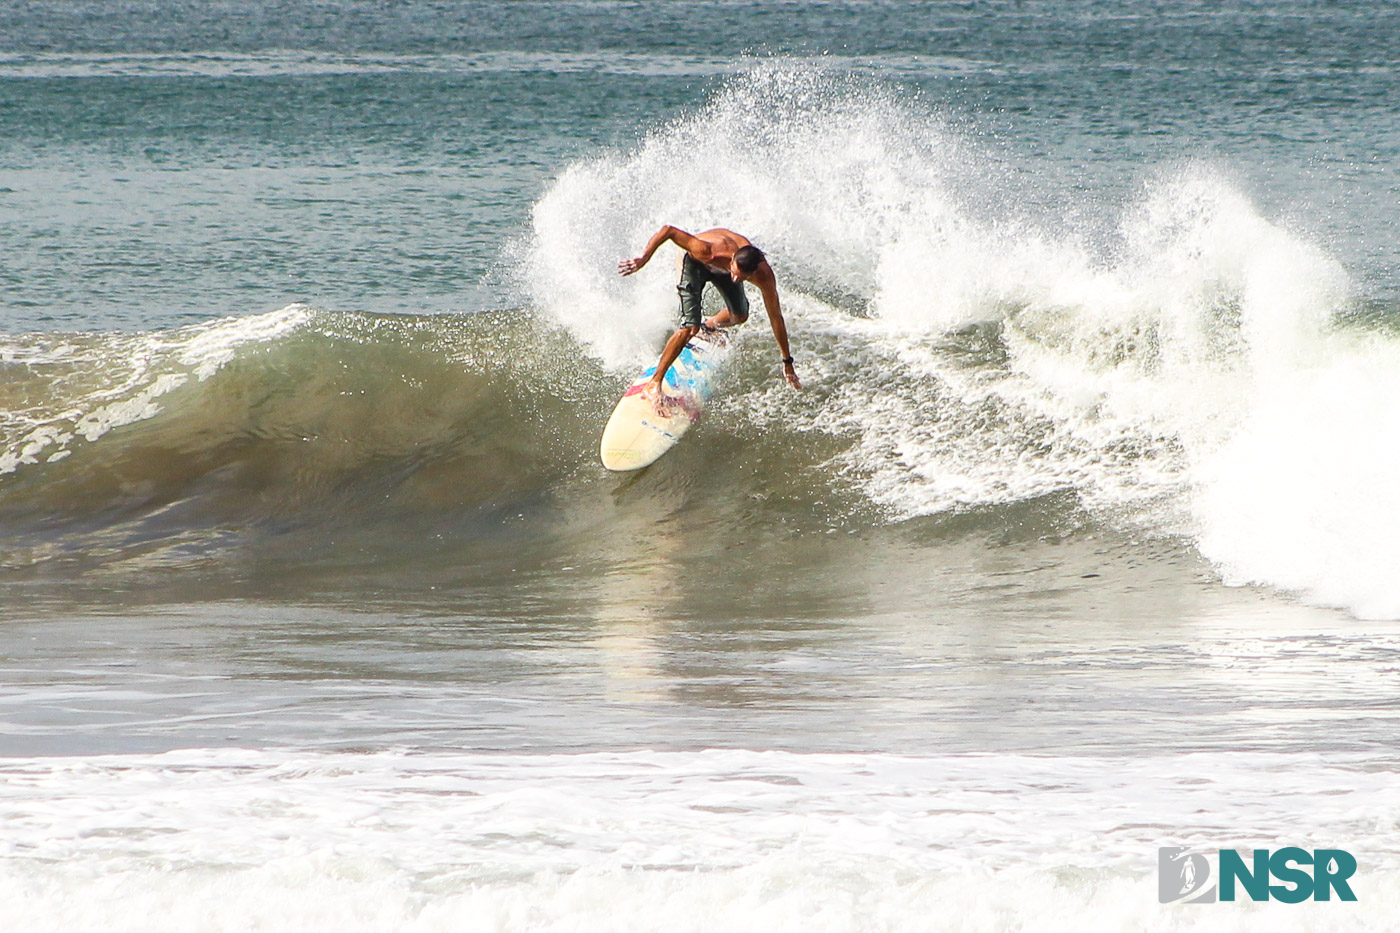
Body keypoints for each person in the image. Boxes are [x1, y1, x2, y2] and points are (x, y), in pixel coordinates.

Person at [618, 226, 801, 408]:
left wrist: (787, 362)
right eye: (735, 273)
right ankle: (654, 383)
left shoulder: (764, 276)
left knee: (740, 315)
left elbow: (776, 317)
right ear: (733, 261)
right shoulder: (707, 251)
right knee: (690, 327)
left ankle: (709, 326)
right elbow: (669, 231)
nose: (736, 279)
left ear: (752, 273)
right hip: (694, 263)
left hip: (722, 270)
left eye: (741, 277)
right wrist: (644, 258)